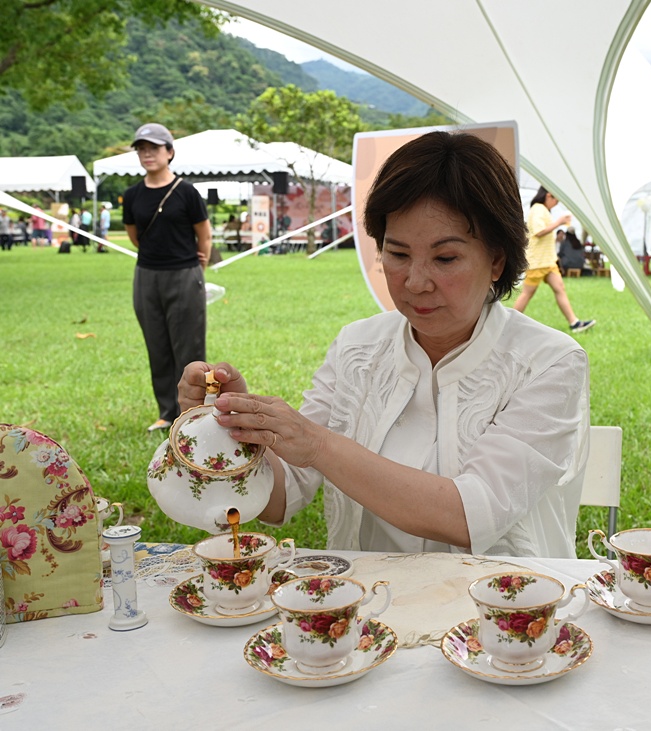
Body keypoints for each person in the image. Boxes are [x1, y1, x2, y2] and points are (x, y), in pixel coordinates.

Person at [175, 131, 590, 558]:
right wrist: (234, 429)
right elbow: (283, 495)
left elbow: (470, 516)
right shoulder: (358, 346)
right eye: (397, 254)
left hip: (504, 613)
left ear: (497, 260)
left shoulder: (548, 361)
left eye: (445, 259)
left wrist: (316, 443)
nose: (415, 282)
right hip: (369, 610)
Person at [123, 122, 212, 432]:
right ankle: (166, 412)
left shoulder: (187, 192)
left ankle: (194, 413)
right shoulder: (132, 195)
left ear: (169, 152)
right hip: (147, 276)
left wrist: (195, 264)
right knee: (157, 345)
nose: (147, 154)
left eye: (154, 148)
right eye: (141, 149)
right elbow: (135, 237)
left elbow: (204, 233)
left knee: (189, 347)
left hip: (185, 275)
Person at [512, 186, 595, 333]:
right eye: (556, 200)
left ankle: (574, 323)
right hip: (538, 261)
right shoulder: (538, 209)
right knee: (527, 293)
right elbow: (538, 232)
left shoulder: (543, 210)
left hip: (548, 261)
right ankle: (508, 324)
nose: (556, 204)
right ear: (549, 195)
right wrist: (559, 222)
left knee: (559, 289)